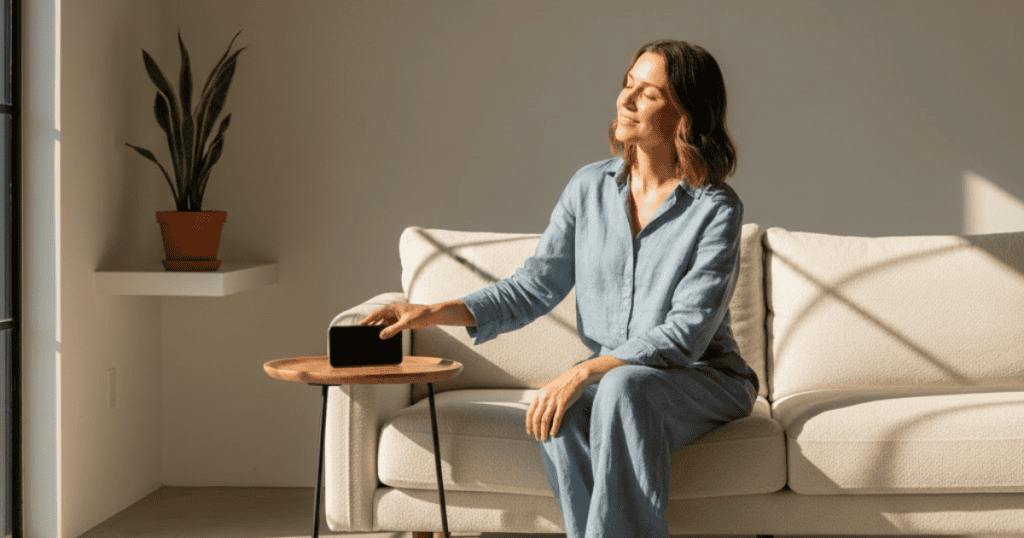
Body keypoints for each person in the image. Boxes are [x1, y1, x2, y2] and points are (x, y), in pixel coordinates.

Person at [359, 39, 759, 538]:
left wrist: (587, 369)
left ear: (685, 116)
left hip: (705, 378)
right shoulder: (588, 188)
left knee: (616, 384)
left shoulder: (715, 208)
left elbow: (687, 333)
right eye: (627, 84)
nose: (626, 100)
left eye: (649, 93)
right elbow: (534, 286)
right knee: (566, 409)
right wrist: (431, 312)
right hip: (620, 380)